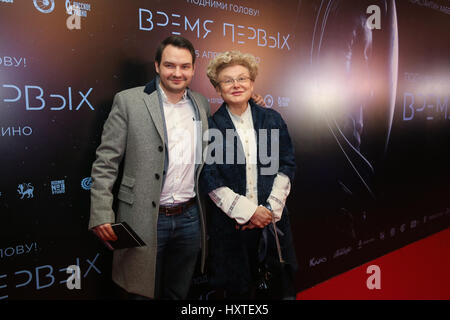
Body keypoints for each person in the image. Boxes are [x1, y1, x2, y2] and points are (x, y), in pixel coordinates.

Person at [88, 36, 264, 300]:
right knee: (139, 293)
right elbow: (106, 161)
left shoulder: (201, 103)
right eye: (170, 65)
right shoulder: (128, 101)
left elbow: (228, 125)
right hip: (143, 218)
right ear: (157, 66)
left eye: (185, 66)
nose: (177, 73)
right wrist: (101, 211)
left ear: (193, 69)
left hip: (190, 218)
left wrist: (253, 106)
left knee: (178, 292)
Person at [200, 51, 298, 299]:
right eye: (228, 81)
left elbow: (286, 164)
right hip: (232, 227)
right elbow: (211, 178)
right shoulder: (212, 126)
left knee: (278, 289)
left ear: (252, 83)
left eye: (242, 78)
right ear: (217, 89)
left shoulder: (271, 119)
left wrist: (268, 210)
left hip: (273, 224)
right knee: (238, 292)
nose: (236, 85)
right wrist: (249, 212)